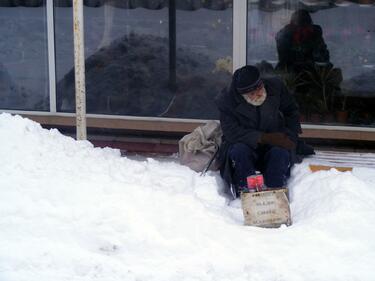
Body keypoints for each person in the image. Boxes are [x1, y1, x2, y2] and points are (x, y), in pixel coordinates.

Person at [215, 65, 304, 198]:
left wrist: (290, 136)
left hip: (275, 139)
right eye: (251, 94)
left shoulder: (276, 86)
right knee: (239, 152)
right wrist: (263, 138)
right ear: (242, 94)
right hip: (244, 143)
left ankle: (276, 192)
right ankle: (247, 194)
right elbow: (231, 132)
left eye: (259, 89)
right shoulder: (227, 100)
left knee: (279, 153)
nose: (258, 94)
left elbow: (291, 111)